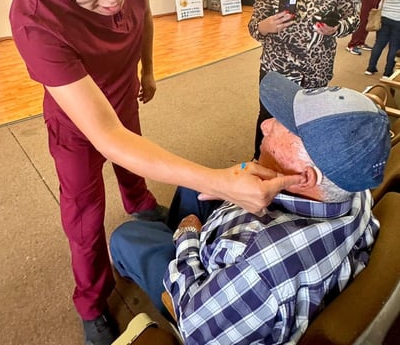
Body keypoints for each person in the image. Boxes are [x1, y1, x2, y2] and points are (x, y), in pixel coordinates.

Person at [9, 0, 296, 345]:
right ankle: (91, 302)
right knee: (83, 214)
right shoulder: (33, 15)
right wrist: (219, 181)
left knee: (134, 167)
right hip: (80, 121)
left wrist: (147, 69)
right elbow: (106, 136)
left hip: (124, 92)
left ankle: (140, 206)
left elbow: (140, 16)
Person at [110, 71, 390, 345]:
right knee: (194, 187)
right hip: (256, 252)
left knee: (127, 236)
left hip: (207, 287)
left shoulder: (258, 267)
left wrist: (187, 237)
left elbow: (196, 326)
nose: (266, 125)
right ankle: (173, 233)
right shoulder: (353, 188)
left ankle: (152, 261)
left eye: (283, 124)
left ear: (305, 177)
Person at [248, 0, 359, 161]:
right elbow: (254, 28)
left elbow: (354, 19)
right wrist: (265, 26)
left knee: (309, 123)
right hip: (277, 69)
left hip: (317, 70)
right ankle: (261, 164)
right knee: (269, 121)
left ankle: (301, 168)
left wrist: (336, 28)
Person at [365, 0, 400, 78]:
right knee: (394, 46)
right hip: (398, 18)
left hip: (384, 14)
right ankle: (387, 72)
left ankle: (370, 68)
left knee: (379, 43)